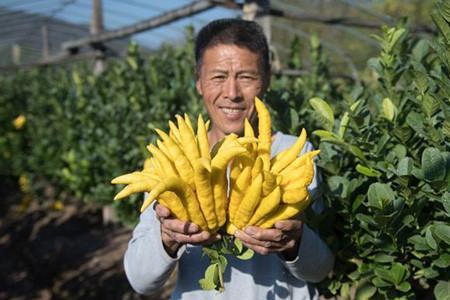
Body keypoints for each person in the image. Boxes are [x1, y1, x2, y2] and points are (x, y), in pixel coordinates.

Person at [123, 18, 334, 300]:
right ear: (199, 81)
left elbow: (320, 270)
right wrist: (167, 238)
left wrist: (294, 242)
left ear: (267, 79)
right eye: (218, 77)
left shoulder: (292, 154)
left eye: (246, 77)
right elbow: (140, 280)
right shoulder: (175, 160)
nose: (232, 94)